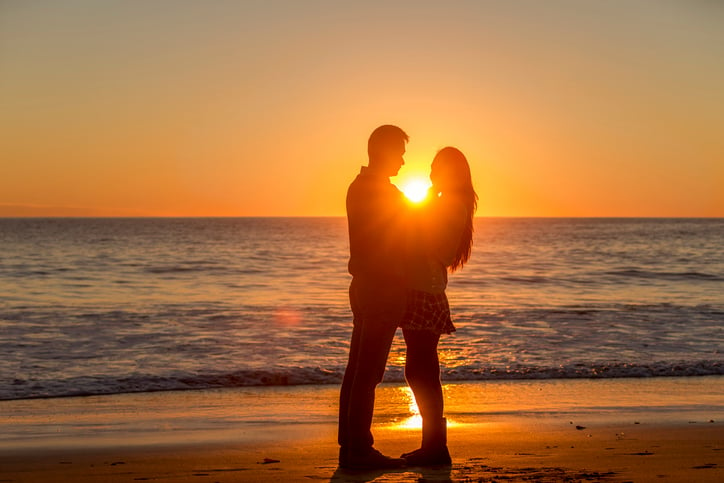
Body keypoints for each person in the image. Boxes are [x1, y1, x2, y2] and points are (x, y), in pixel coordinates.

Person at [399, 146, 478, 466]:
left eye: (435, 168)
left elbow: (437, 247)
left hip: (426, 292)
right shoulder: (448, 202)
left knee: (421, 370)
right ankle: (433, 444)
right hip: (423, 289)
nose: (430, 174)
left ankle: (435, 446)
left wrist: (426, 204)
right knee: (420, 368)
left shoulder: (451, 204)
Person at [338, 125, 410, 470]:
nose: (403, 159)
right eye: (399, 151)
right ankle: (359, 450)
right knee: (367, 373)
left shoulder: (359, 186)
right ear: (382, 151)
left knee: (357, 369)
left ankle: (350, 446)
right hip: (381, 287)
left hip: (365, 285)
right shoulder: (380, 192)